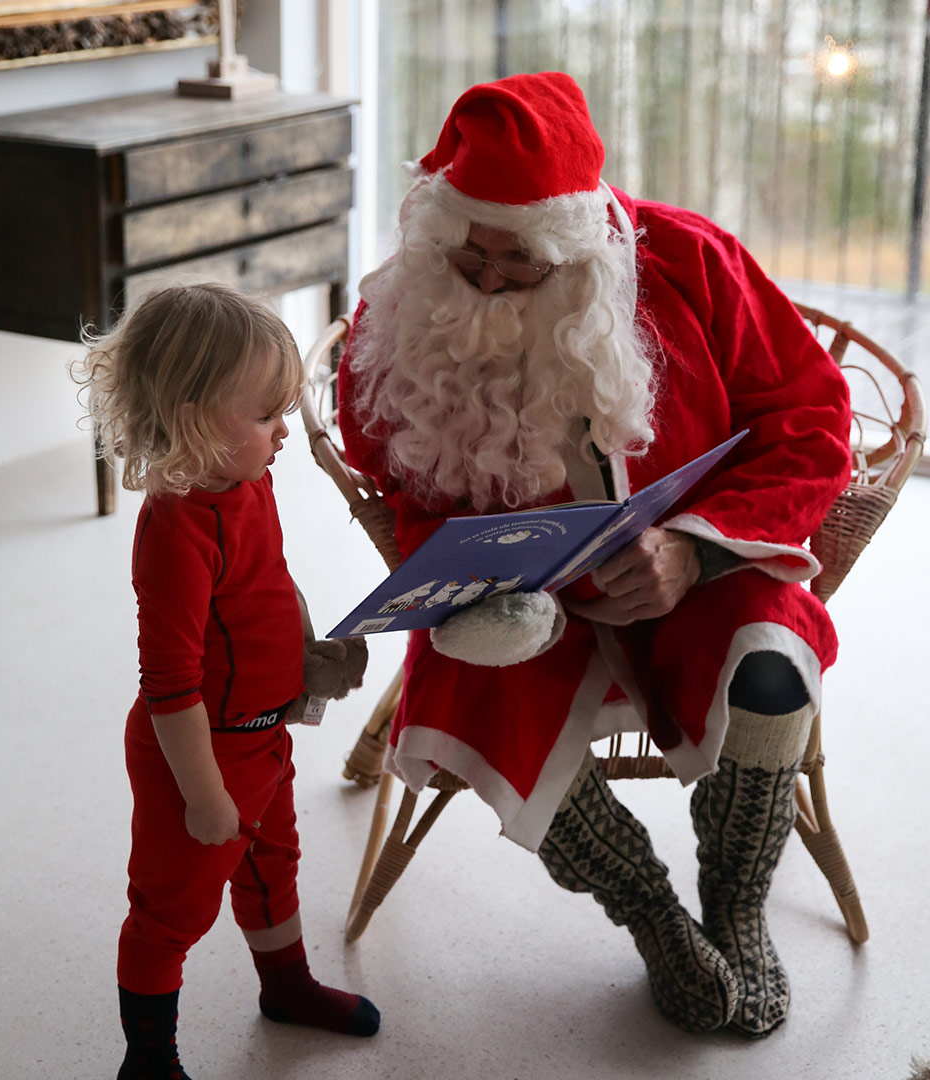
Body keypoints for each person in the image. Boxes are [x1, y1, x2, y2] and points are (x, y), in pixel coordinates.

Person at [336, 72, 851, 1039]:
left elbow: (815, 418)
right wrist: (463, 570)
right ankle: (654, 918)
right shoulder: (411, 297)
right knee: (480, 680)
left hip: (692, 561)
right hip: (509, 587)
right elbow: (371, 445)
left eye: (518, 259)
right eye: (468, 252)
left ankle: (735, 907)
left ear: (576, 240)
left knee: (770, 663)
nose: (487, 278)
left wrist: (695, 554)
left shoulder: (692, 259)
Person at [75, 282, 379, 1080]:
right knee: (171, 908)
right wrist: (205, 796)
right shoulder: (174, 532)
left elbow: (263, 591)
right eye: (265, 416)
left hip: (261, 736)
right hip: (197, 756)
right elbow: (171, 684)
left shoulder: (250, 484)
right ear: (189, 417)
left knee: (273, 868)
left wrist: (307, 655)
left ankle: (286, 986)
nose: (285, 432)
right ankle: (148, 1057)